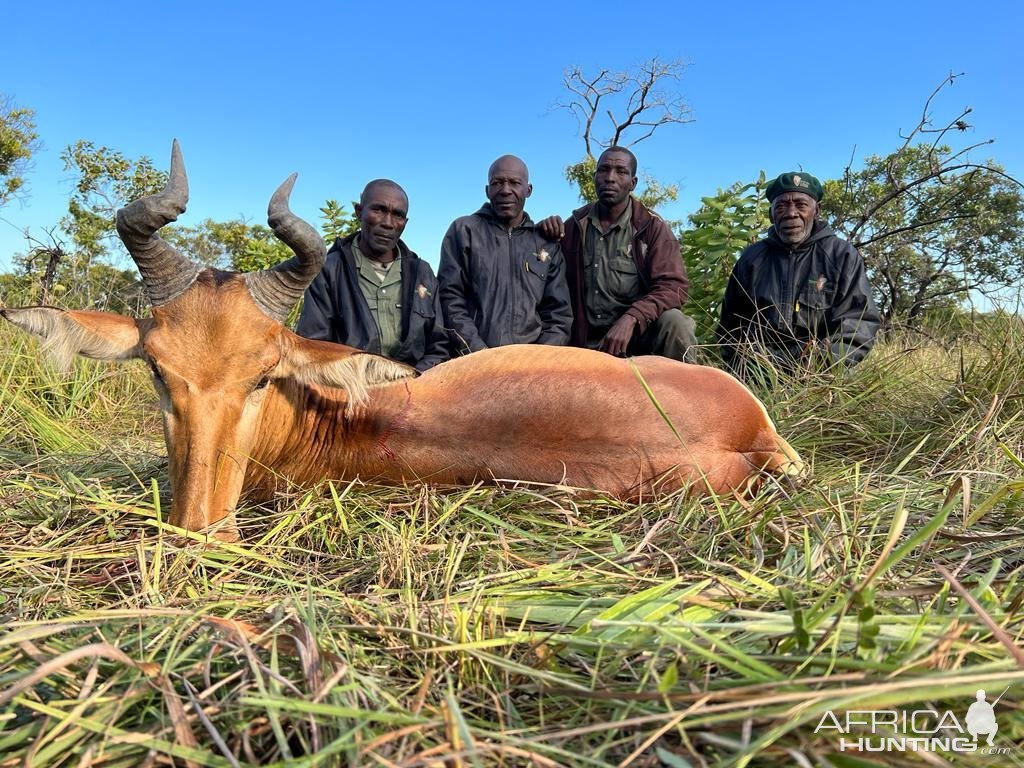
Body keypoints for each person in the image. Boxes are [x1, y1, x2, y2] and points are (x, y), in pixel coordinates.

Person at [538, 146, 696, 361]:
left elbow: (674, 288)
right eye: (603, 170)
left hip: (635, 337)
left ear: (633, 183)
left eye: (621, 171)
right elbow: (543, 271)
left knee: (675, 323)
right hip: (583, 342)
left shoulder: (651, 227)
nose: (610, 178)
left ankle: (684, 392)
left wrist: (632, 318)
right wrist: (543, 233)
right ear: (594, 177)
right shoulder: (575, 226)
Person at [716, 171, 880, 376]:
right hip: (758, 371)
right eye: (781, 206)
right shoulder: (752, 258)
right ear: (771, 214)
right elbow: (730, 325)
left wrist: (818, 365)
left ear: (816, 210)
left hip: (821, 373)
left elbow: (859, 323)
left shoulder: (841, 255)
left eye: (801, 205)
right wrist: (747, 367)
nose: (791, 213)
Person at [296, 179, 448, 371]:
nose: (388, 223)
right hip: (349, 390)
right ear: (359, 212)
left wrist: (413, 380)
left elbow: (439, 347)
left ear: (405, 223)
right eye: (378, 210)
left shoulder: (422, 273)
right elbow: (314, 347)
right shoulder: (330, 269)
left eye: (398, 215)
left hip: (413, 389)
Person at [437, 155, 572, 355]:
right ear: (487, 190)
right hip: (473, 360)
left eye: (515, 183)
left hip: (531, 366)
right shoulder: (464, 231)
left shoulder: (545, 244)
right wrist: (477, 352)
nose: (505, 190)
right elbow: (450, 298)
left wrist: (537, 360)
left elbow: (558, 315)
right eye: (497, 183)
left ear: (528, 190)